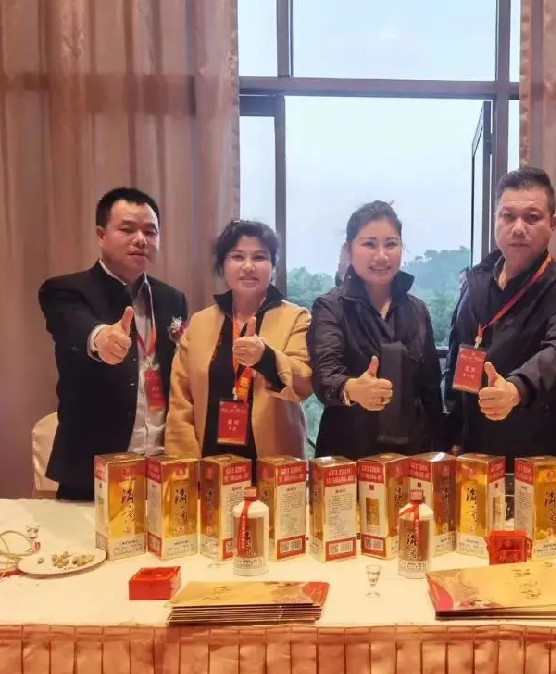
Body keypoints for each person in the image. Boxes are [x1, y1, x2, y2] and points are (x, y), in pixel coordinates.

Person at [39, 187, 188, 500]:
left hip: (160, 469)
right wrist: (101, 338)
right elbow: (76, 327)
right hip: (94, 471)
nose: (140, 240)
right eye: (127, 229)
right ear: (101, 235)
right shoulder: (65, 290)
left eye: (150, 232)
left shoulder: (172, 299)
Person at [444, 166, 556, 466]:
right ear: (496, 219)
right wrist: (452, 432)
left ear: (553, 223)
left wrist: (516, 388)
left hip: (537, 455)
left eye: (532, 217)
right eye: (508, 216)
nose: (518, 228)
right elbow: (456, 357)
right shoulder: (476, 280)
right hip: (475, 451)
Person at [307, 200, 446, 458]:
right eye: (369, 244)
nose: (381, 255)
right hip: (349, 452)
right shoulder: (331, 307)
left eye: (391, 244)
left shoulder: (417, 310)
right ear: (349, 249)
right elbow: (324, 375)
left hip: (412, 454)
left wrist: (441, 449)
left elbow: (430, 389)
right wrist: (352, 388)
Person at [166, 220, 312, 463]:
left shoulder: (296, 317)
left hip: (274, 467)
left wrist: (266, 358)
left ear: (273, 266)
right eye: (237, 256)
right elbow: (181, 401)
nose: (248, 266)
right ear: (222, 265)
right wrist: (186, 466)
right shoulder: (200, 323)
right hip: (210, 465)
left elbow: (304, 382)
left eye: (260, 257)